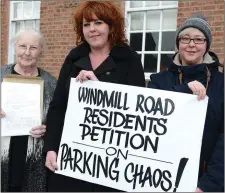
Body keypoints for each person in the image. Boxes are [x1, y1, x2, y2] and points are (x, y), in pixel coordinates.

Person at [44, 1, 145, 192]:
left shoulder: (129, 60)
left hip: (110, 161)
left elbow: (135, 111)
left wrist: (99, 88)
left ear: (111, 26)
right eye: (86, 24)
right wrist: (51, 148)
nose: (92, 30)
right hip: (73, 157)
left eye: (98, 23)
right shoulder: (73, 58)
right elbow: (58, 106)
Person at [147, 13, 224, 192]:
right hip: (160, 177)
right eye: (185, 38)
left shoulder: (221, 83)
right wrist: (184, 91)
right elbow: (151, 119)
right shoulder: (158, 80)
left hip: (206, 180)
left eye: (198, 39)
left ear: (206, 45)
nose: (191, 44)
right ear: (178, 43)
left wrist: (208, 185)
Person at [1, 28, 57, 192]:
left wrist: (49, 130)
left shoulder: (52, 84)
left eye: (33, 48)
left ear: (41, 51)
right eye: (22, 46)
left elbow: (58, 121)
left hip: (34, 164)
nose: (27, 52)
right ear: (15, 48)